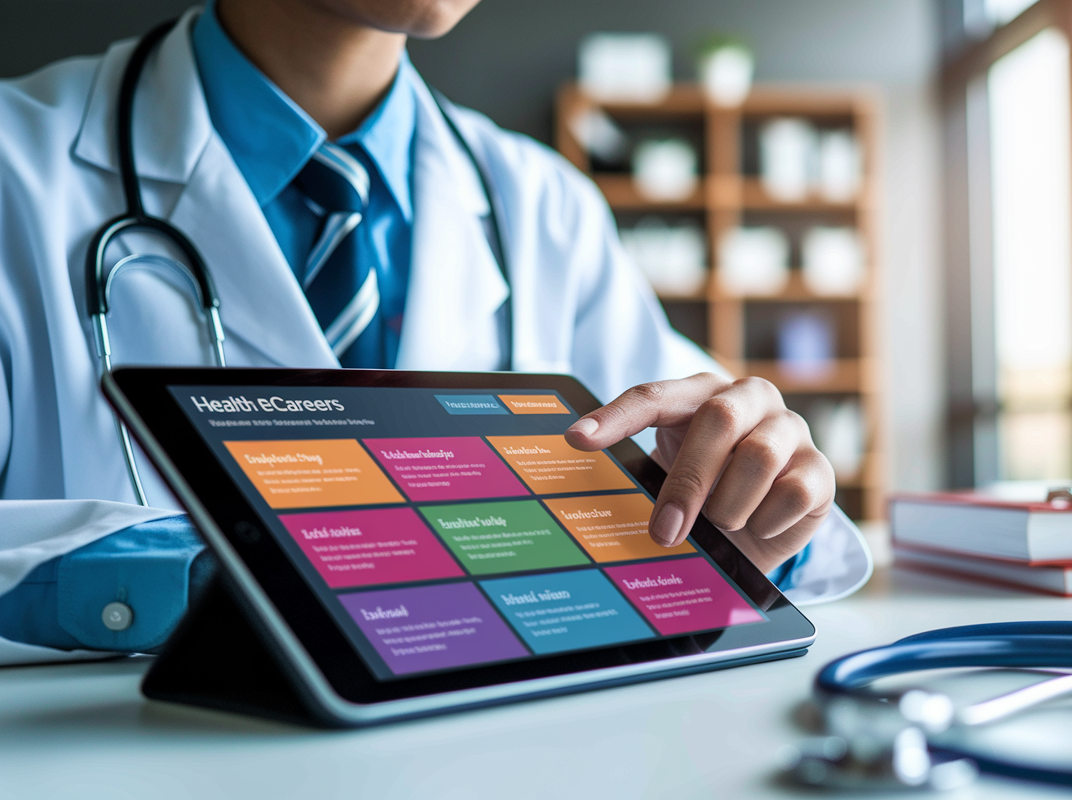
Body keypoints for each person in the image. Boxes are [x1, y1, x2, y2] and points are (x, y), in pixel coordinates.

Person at [0, 0, 871, 663]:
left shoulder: (541, 204)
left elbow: (733, 504)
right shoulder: (16, 169)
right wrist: (240, 573)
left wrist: (750, 498)